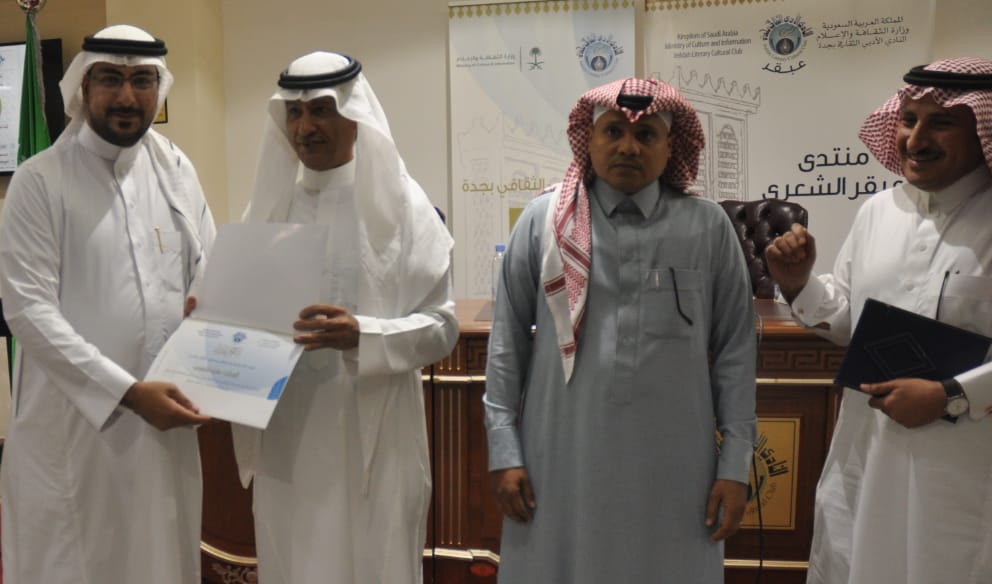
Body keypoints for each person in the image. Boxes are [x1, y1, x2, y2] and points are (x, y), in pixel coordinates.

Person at [484, 77, 757, 583]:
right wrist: (504, 451)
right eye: (613, 131)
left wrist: (735, 464)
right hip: (559, 456)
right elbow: (505, 344)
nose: (629, 147)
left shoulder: (708, 227)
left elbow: (736, 352)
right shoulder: (544, 222)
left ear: (671, 146)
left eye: (646, 134)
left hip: (675, 465)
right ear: (588, 140)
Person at [0, 24, 216, 583]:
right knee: (80, 562)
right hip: (76, 429)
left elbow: (209, 278)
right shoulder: (40, 181)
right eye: (110, 79)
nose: (126, 96)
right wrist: (127, 393)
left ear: (158, 88)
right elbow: (28, 311)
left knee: (161, 557)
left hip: (166, 418)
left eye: (142, 80)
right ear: (82, 87)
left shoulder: (176, 170)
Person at [232, 51, 458, 584]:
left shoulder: (402, 206)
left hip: (375, 442)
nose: (305, 127)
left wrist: (364, 335)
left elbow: (442, 327)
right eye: (294, 112)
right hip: (287, 437)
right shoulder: (267, 211)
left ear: (355, 115)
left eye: (321, 110)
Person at [765, 57, 992, 583]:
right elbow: (849, 319)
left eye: (941, 123)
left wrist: (951, 395)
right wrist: (799, 284)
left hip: (964, 465)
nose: (916, 139)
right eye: (908, 120)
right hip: (866, 452)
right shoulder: (878, 211)